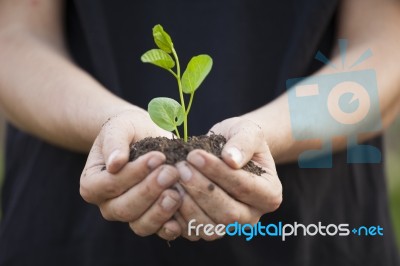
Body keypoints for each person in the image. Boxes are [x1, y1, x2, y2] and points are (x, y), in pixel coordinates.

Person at [0, 0, 398, 265]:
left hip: (314, 233)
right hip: (71, 234)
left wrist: (265, 133)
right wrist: (110, 122)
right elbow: (14, 38)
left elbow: (386, 47)